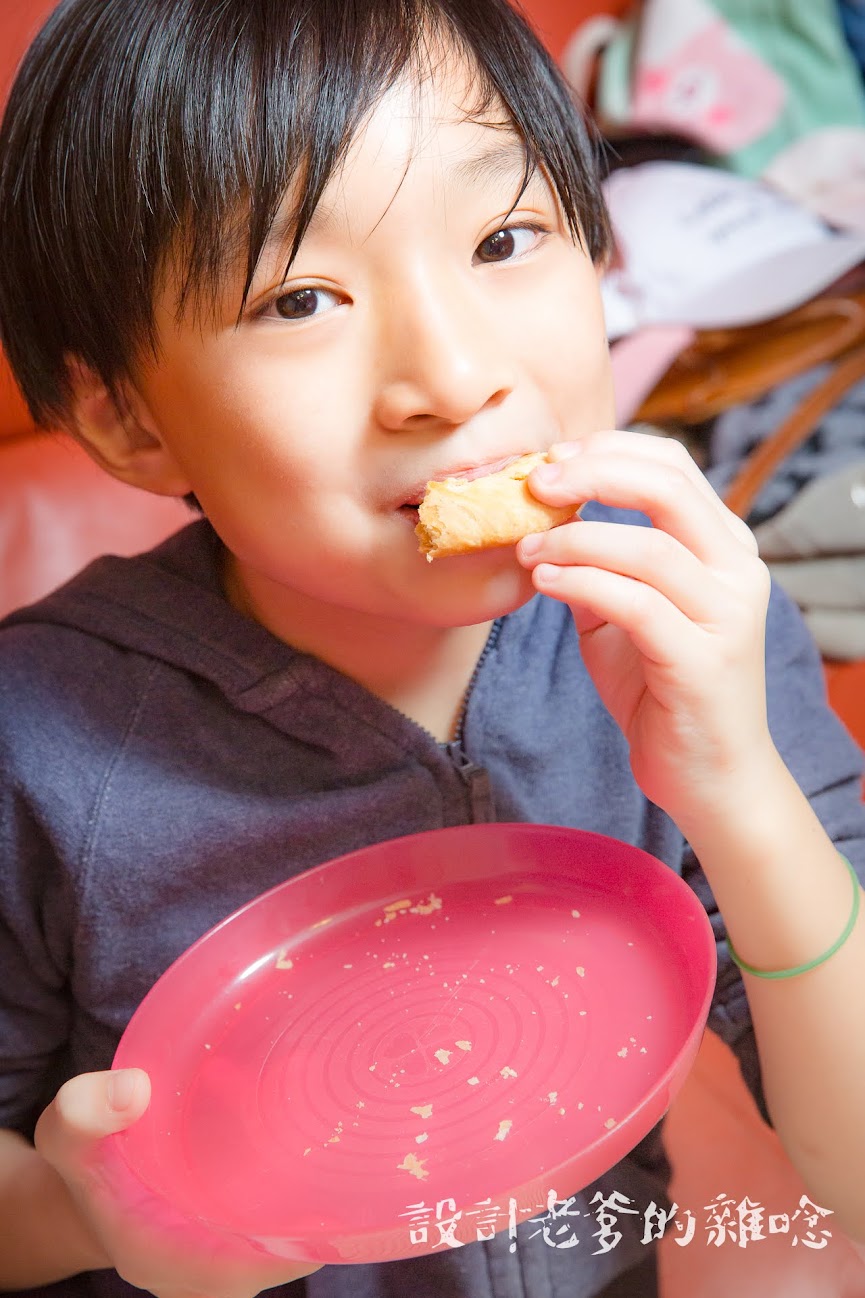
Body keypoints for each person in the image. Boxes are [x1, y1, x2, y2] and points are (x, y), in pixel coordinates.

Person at [0, 1, 863, 1296]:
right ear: (127, 418)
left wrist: (736, 788)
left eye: (504, 238)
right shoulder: (38, 743)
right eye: (301, 296)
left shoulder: (694, 624)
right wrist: (88, 1214)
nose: (455, 376)